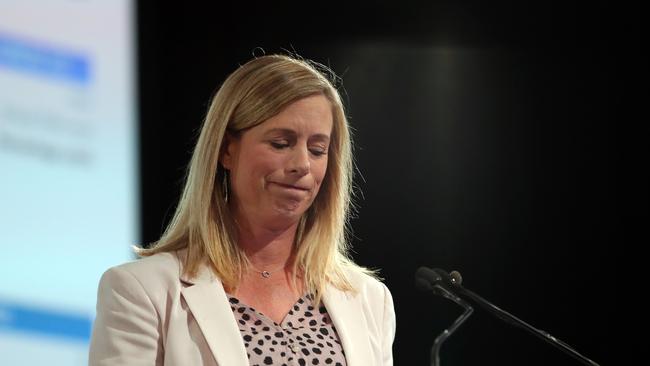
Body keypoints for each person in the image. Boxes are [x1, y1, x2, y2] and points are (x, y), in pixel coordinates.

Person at [88, 54, 396, 366]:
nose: (302, 164)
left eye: (317, 150)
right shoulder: (142, 291)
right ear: (226, 150)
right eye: (280, 143)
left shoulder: (369, 299)